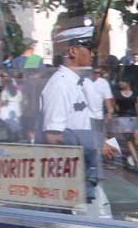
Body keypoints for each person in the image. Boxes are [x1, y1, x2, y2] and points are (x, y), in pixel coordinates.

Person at [40, 38, 115, 217]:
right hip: (72, 181)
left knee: (102, 226)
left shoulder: (80, 82)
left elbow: (84, 122)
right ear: (73, 51)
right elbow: (53, 136)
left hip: (87, 173)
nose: (93, 54)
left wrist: (105, 141)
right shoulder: (60, 85)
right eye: (89, 48)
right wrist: (97, 144)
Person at [112, 76, 138, 170]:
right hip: (123, 118)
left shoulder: (135, 93)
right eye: (119, 82)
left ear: (128, 83)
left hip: (134, 117)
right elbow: (115, 105)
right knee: (129, 140)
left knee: (137, 140)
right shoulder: (118, 94)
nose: (120, 84)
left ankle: (130, 155)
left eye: (122, 82)